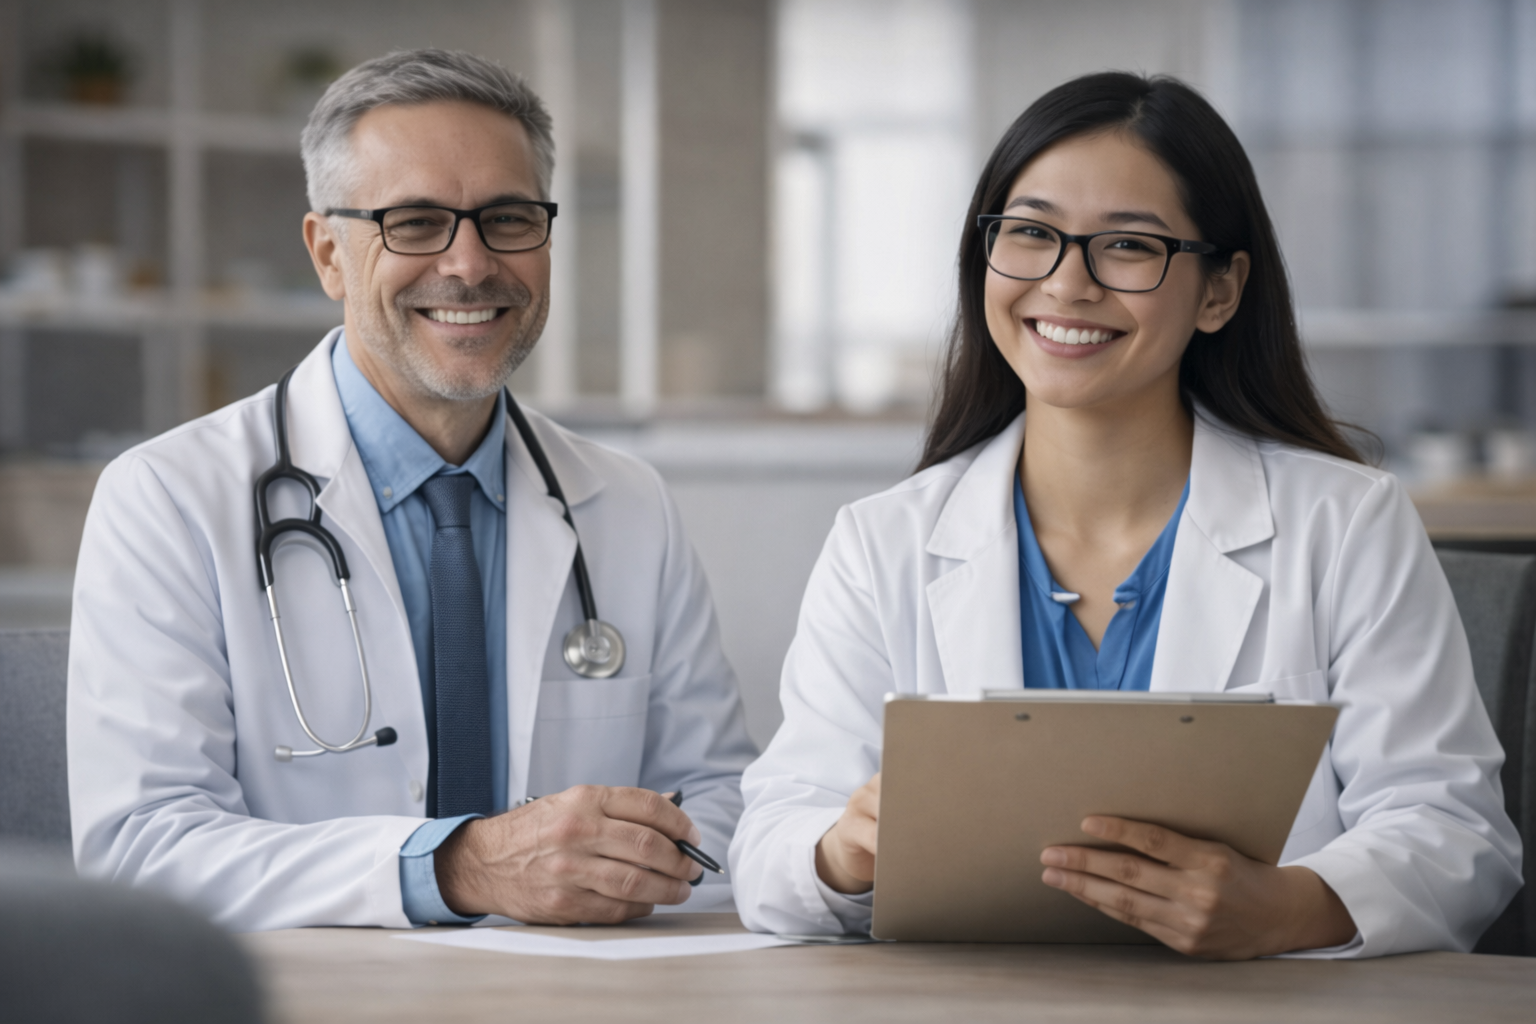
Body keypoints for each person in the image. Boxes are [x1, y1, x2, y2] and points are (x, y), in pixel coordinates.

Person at [730, 72, 1522, 959]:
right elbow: (767, 850)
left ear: (1219, 291)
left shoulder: (1345, 525)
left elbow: (1456, 835)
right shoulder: (883, 543)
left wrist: (1286, 907)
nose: (1067, 284)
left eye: (1128, 248)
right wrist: (841, 851)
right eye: (1030, 234)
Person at [68, 49, 756, 932]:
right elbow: (140, 849)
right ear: (329, 253)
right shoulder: (167, 498)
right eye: (416, 222)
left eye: (507, 218)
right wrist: (459, 869)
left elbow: (722, 803)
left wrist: (639, 866)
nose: (470, 265)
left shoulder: (626, 503)